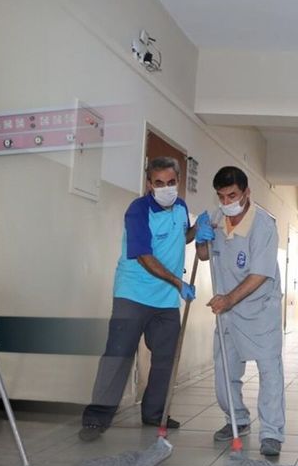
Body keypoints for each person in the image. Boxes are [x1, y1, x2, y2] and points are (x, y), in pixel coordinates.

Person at [79, 156, 205, 441]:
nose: (166, 188)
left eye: (171, 183)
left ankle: (154, 414)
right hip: (133, 294)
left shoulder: (182, 207)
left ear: (178, 182)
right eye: (159, 183)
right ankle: (96, 420)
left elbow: (179, 237)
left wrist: (197, 230)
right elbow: (145, 256)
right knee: (118, 355)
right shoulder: (137, 211)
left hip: (166, 300)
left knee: (165, 359)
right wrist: (177, 281)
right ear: (149, 184)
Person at [197, 166, 286, 457]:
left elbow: (259, 274)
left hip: (259, 308)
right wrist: (200, 238)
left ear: (247, 192)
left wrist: (229, 299)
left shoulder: (263, 225)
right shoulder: (216, 217)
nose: (226, 202)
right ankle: (236, 419)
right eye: (221, 196)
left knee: (269, 370)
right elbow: (204, 255)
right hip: (228, 310)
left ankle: (272, 433)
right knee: (225, 372)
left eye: (232, 195)